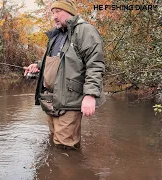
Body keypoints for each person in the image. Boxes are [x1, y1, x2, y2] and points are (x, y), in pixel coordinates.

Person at [24, 0, 105, 149]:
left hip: (70, 100)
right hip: (51, 99)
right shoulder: (56, 35)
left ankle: (71, 172)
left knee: (65, 149)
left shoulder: (85, 31)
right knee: (54, 143)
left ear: (70, 12)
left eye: (58, 12)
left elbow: (95, 64)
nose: (54, 16)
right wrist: (38, 65)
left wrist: (90, 95)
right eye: (52, 12)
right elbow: (58, 61)